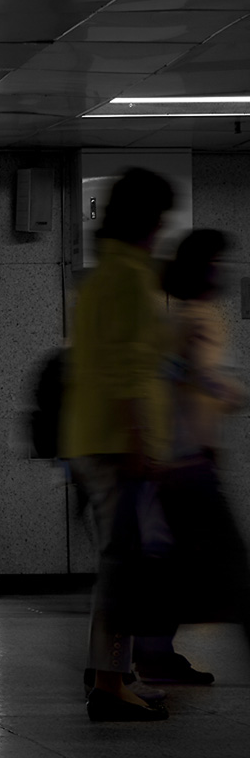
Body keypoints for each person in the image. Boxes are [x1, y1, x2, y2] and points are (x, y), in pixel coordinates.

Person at [61, 167, 174, 722]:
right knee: (124, 566)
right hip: (116, 442)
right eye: (160, 218)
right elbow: (128, 371)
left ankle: (114, 673)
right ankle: (110, 682)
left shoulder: (103, 276)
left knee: (122, 562)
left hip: (95, 436)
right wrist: (139, 443)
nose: (162, 229)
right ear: (147, 219)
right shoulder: (129, 278)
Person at [135, 229, 247, 681]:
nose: (225, 270)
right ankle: (148, 654)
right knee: (234, 567)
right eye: (218, 262)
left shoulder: (179, 317)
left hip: (177, 461)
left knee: (174, 568)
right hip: (189, 463)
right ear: (204, 269)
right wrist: (237, 393)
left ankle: (151, 654)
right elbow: (203, 376)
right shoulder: (198, 319)